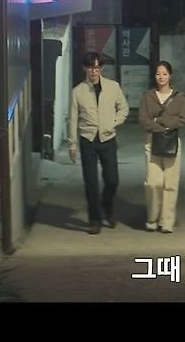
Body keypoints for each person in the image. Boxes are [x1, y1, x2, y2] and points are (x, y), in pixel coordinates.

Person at [69, 52, 128, 234]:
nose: (94, 71)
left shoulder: (113, 87)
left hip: (108, 138)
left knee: (112, 180)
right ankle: (94, 220)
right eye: (90, 67)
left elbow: (123, 108)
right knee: (91, 183)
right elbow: (72, 118)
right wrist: (72, 144)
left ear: (101, 68)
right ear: (85, 68)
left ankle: (107, 207)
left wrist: (114, 122)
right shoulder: (78, 92)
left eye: (96, 67)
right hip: (88, 140)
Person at [138, 61, 185, 233]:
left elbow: (182, 119)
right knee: (153, 183)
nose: (161, 77)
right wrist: (163, 127)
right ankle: (152, 218)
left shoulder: (179, 98)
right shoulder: (148, 97)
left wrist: (159, 120)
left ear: (170, 76)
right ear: (154, 76)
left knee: (170, 183)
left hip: (172, 143)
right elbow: (144, 120)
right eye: (158, 74)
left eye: (165, 74)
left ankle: (166, 221)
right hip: (152, 141)